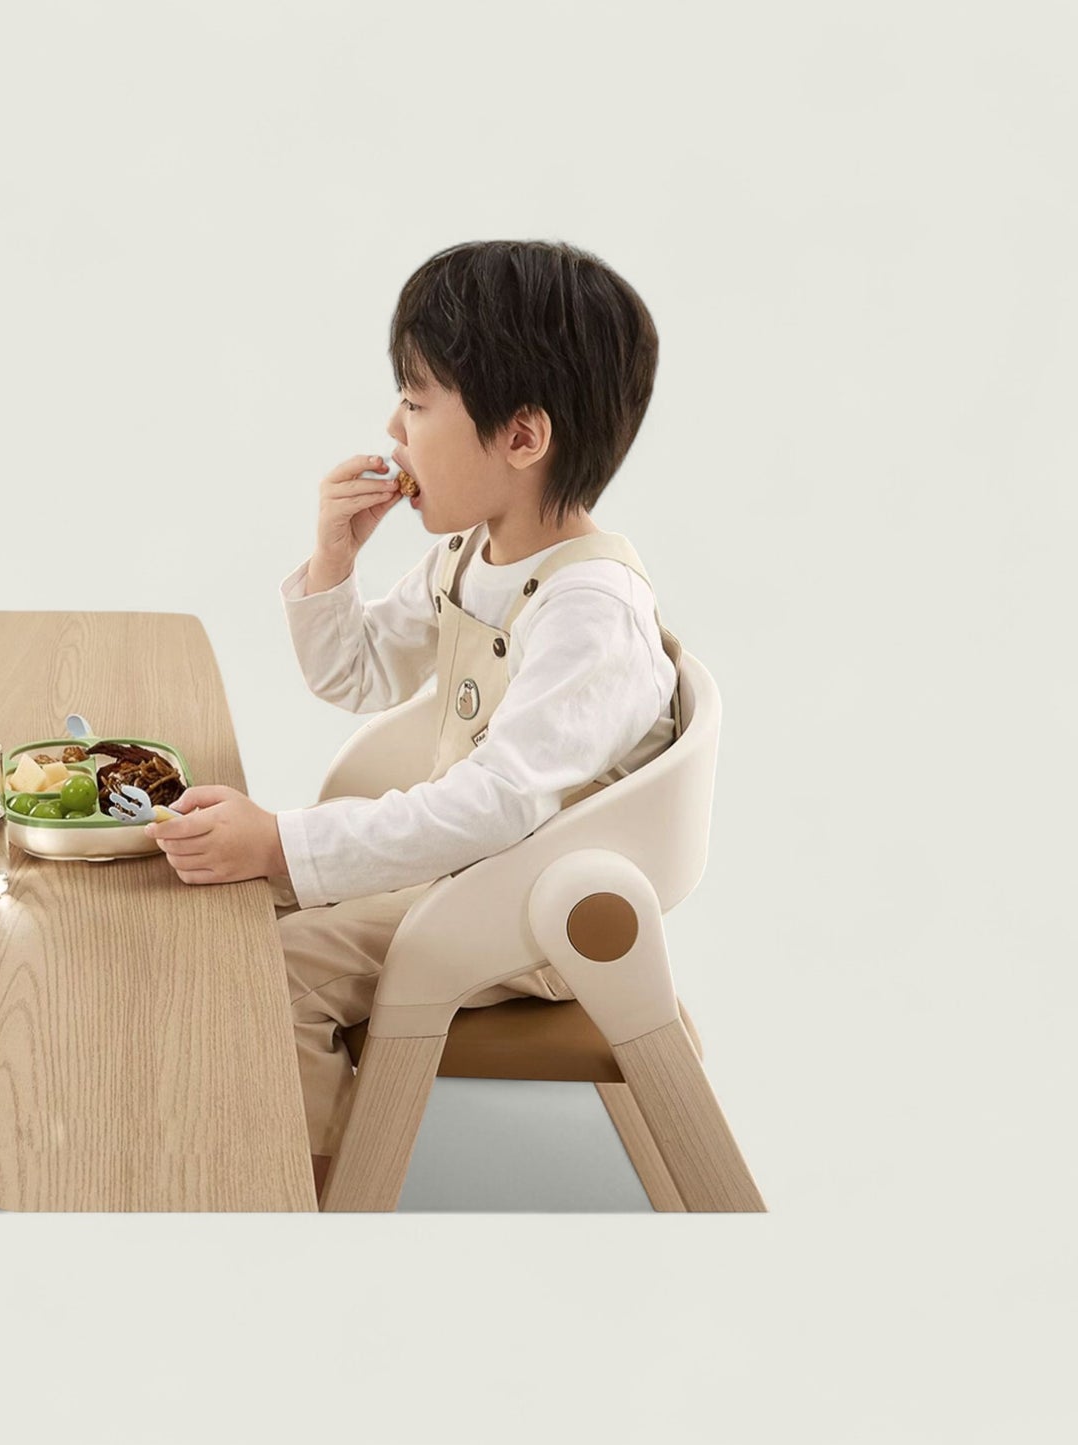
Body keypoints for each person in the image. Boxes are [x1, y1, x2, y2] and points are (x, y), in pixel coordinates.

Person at [144, 240, 683, 1200]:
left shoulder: (588, 609)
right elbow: (354, 674)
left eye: (418, 400)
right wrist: (332, 559)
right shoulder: (476, 552)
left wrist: (280, 842)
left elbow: (492, 808)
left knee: (272, 970)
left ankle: (305, 1190)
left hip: (531, 913)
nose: (393, 426)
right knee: (209, 916)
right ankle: (192, 1121)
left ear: (522, 437)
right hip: (466, 874)